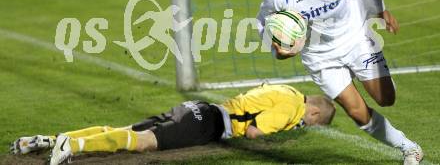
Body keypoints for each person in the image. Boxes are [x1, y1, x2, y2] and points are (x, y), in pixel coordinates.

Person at [256, 0, 423, 165]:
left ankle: (374, 74)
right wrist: (278, 50)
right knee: (356, 112)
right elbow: (262, 24)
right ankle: (409, 148)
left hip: (356, 39)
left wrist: (380, 8)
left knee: (386, 99)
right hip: (320, 56)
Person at [10, 84, 335, 165]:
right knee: (143, 143)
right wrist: (268, 138)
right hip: (206, 123)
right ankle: (73, 146)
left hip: (197, 109)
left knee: (125, 131)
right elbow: (253, 130)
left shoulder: (288, 90)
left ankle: (49, 139)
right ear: (316, 114)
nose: (305, 126)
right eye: (311, 124)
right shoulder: (293, 107)